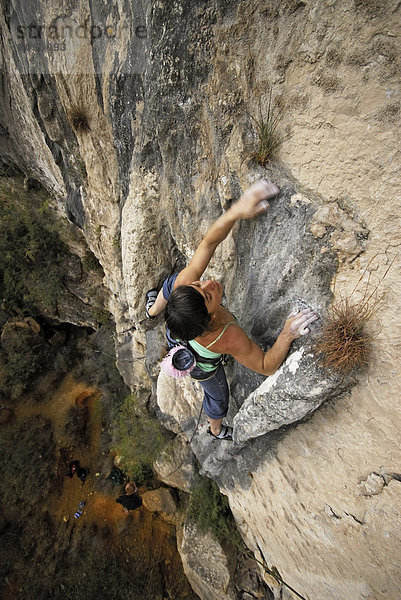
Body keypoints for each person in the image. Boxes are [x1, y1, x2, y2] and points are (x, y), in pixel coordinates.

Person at [146, 180, 318, 441]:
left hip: (179, 328)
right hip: (201, 363)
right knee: (218, 396)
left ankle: (152, 310)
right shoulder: (228, 337)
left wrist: (238, 209)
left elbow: (208, 243)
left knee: (174, 283)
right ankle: (215, 429)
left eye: (199, 283)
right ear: (211, 316)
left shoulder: (186, 292)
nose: (210, 282)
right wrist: (286, 335)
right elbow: (264, 365)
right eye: (207, 294)